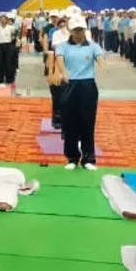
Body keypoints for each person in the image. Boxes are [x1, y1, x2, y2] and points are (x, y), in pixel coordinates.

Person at [51, 15, 104, 170]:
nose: (79, 33)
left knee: (88, 121)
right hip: (69, 85)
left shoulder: (93, 45)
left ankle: (88, 158)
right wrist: (64, 72)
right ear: (70, 31)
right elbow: (59, 58)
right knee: (69, 122)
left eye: (81, 29)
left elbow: (99, 57)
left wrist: (102, 64)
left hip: (87, 85)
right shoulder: (63, 46)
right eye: (76, 30)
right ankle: (72, 158)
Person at [0, 13, 19, 86]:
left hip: (8, 45)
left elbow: (15, 36)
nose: (2, 20)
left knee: (8, 63)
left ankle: (9, 79)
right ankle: (0, 80)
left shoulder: (11, 28)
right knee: (0, 63)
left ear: (7, 20)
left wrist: (15, 45)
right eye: (1, 19)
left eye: (4, 19)